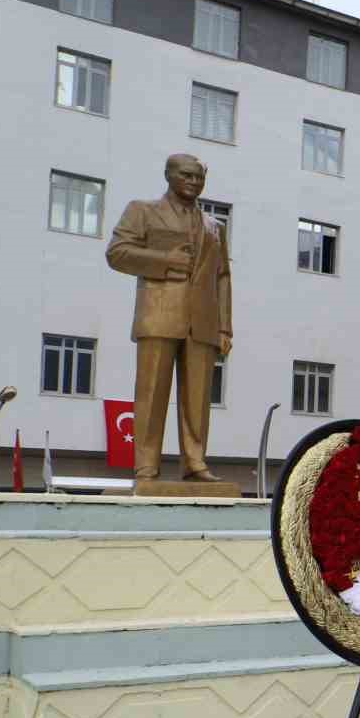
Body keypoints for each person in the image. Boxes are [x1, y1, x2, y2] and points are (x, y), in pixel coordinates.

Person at [105, 153, 234, 486]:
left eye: (199, 177)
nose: (193, 182)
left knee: (198, 399)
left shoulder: (214, 226)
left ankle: (195, 462)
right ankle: (146, 467)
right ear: (169, 175)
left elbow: (223, 276)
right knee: (151, 393)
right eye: (186, 175)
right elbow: (117, 253)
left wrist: (224, 326)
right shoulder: (143, 211)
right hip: (159, 315)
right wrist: (166, 260)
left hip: (202, 323)